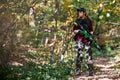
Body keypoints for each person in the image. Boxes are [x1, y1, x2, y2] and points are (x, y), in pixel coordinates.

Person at [73, 8, 94, 76]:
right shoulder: (77, 21)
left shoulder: (89, 20)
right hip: (79, 40)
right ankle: (78, 71)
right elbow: (74, 31)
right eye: (79, 12)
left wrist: (90, 35)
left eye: (80, 12)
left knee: (89, 56)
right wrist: (79, 31)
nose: (79, 13)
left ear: (84, 12)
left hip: (87, 40)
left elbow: (91, 30)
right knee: (79, 55)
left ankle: (91, 72)